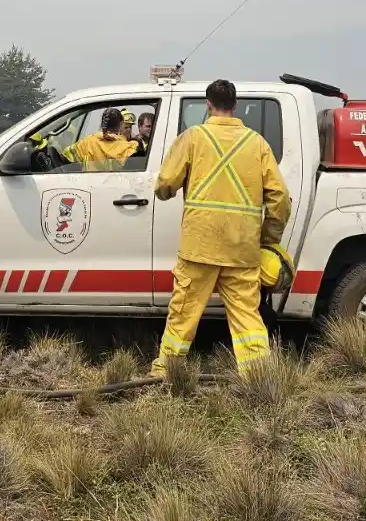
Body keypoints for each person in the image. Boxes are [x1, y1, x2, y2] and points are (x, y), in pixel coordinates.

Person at [149, 79, 292, 378]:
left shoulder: (192, 138)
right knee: (246, 316)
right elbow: (279, 200)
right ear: (235, 106)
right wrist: (268, 240)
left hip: (199, 246)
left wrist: (168, 190)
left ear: (208, 105)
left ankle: (166, 372)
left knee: (183, 314)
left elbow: (164, 185)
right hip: (242, 249)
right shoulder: (258, 143)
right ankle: (258, 378)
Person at [60, 107, 138, 171]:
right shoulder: (130, 147)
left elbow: (65, 157)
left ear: (102, 124)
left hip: (89, 187)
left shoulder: (87, 142)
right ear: (121, 125)